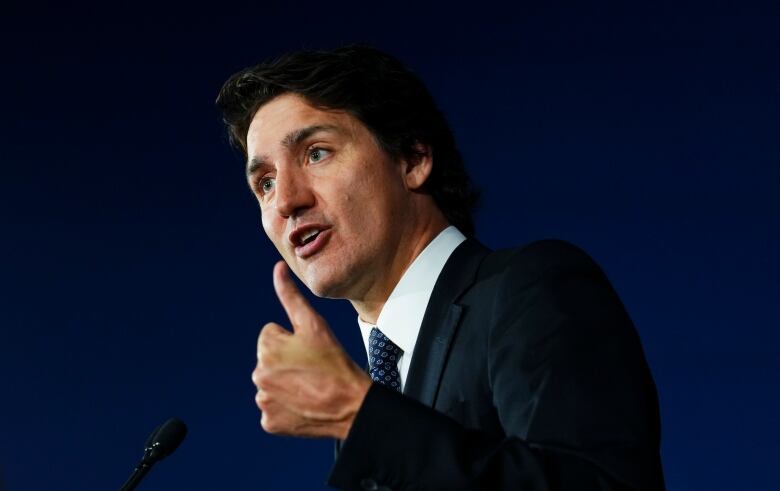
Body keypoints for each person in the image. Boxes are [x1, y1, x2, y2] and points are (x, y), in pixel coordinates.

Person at [216, 45, 664, 490]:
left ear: (412, 159)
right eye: (265, 183)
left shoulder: (533, 288)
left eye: (316, 153)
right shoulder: (372, 391)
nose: (287, 201)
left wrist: (357, 412)